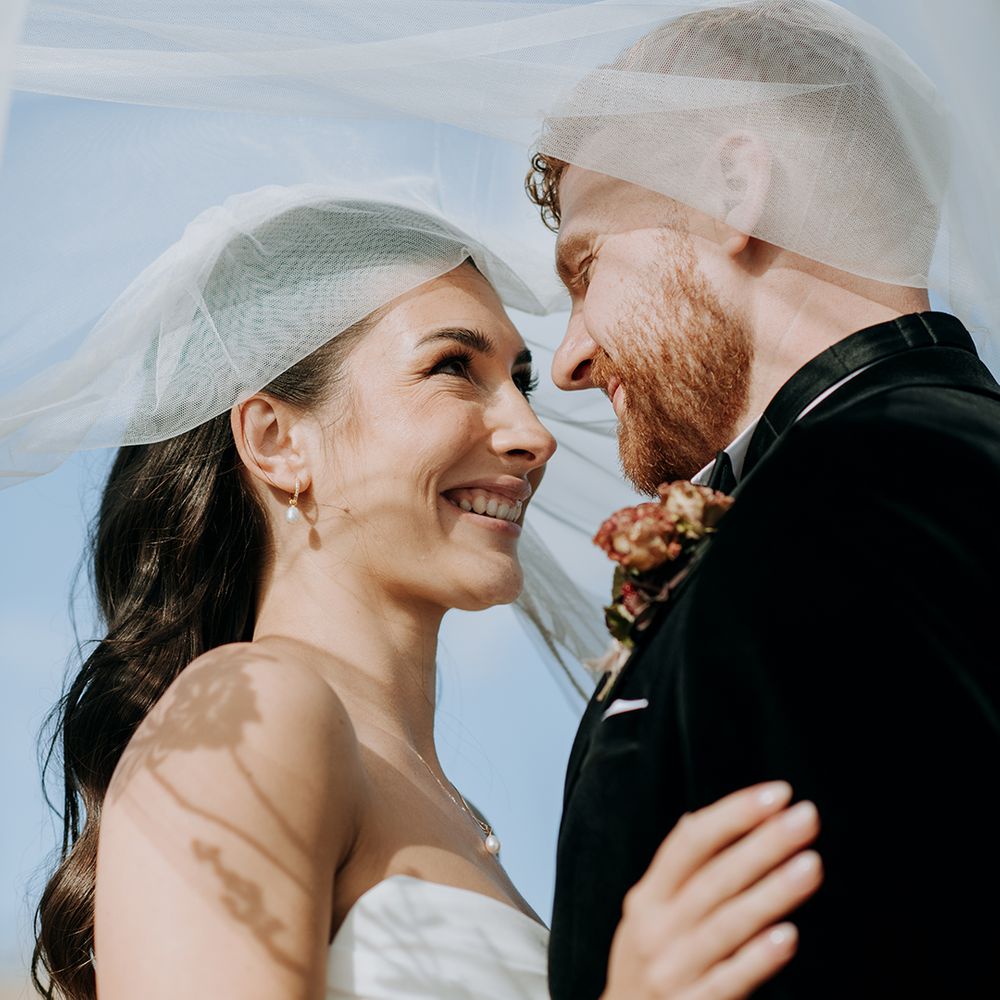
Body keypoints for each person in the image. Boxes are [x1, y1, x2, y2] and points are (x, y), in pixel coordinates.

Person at [25, 187, 822, 1000]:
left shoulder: (457, 811)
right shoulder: (254, 708)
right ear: (277, 441)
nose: (532, 435)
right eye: (452, 369)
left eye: (520, 381)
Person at [524, 3, 1000, 998]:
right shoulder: (910, 468)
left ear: (736, 191)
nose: (567, 361)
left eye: (585, 269)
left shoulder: (852, 506)